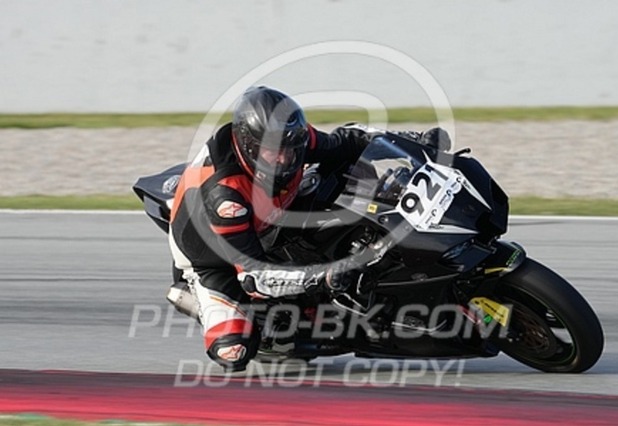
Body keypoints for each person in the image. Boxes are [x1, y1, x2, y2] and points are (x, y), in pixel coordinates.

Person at [168, 86, 449, 371]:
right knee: (233, 351)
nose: (284, 159)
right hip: (217, 261)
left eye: (290, 150)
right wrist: (322, 277)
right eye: (273, 153)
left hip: (272, 212)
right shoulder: (226, 198)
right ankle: (206, 299)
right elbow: (254, 275)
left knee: (349, 168)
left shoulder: (290, 139)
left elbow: (347, 140)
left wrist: (413, 142)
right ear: (249, 147)